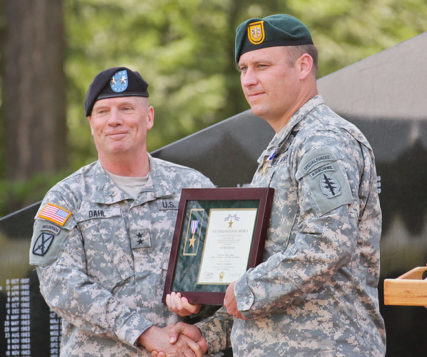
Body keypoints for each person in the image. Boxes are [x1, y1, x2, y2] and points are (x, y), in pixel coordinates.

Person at [164, 14, 386, 356]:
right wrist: (209, 333)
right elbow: (263, 269)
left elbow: (328, 241)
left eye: (262, 66)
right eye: (243, 69)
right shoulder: (280, 150)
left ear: (303, 66)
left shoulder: (322, 142)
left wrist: (248, 290)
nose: (249, 80)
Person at [29, 66, 213, 356]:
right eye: (103, 112)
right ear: (91, 123)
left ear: (149, 116)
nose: (114, 121)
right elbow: (59, 284)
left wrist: (199, 301)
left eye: (126, 108)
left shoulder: (193, 187)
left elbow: (221, 269)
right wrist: (143, 332)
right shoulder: (65, 199)